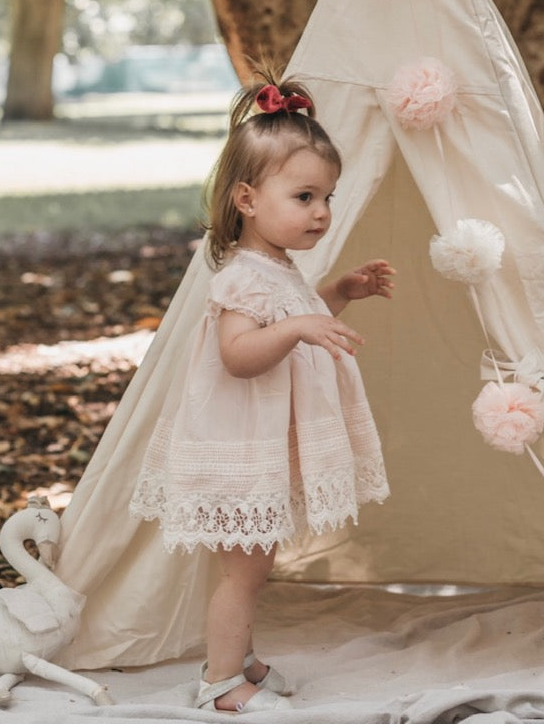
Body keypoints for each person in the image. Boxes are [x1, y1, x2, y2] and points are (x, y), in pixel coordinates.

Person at [129, 72, 393, 713]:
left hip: (262, 441)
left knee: (255, 563)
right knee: (243, 571)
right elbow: (239, 355)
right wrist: (302, 324)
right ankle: (221, 684)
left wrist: (335, 296)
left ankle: (240, 659)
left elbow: (294, 318)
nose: (322, 212)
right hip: (238, 445)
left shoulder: (277, 268)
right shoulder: (243, 277)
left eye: (327, 196)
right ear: (246, 198)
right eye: (304, 196)